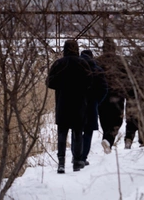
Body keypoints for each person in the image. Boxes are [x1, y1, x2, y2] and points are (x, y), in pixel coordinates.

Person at [46, 39, 92, 173]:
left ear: (64, 49)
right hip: (79, 103)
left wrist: (61, 85)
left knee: (62, 133)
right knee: (77, 132)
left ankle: (61, 163)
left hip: (62, 102)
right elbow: (90, 82)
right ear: (77, 49)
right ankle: (77, 161)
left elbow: (49, 82)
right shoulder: (83, 64)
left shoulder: (59, 64)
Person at [95, 38, 129, 154]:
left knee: (104, 120)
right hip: (117, 96)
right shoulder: (121, 62)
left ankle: (107, 140)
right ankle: (108, 140)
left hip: (101, 96)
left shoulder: (97, 61)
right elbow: (127, 79)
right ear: (114, 48)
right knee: (116, 122)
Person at [80, 49, 108, 165]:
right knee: (88, 132)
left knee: (76, 131)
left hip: (77, 104)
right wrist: (97, 101)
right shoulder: (98, 70)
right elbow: (104, 89)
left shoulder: (77, 70)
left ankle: (75, 155)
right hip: (92, 104)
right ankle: (83, 157)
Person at [124, 50, 144, 148]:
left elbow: (125, 85)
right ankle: (143, 141)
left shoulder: (129, 69)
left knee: (130, 122)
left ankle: (128, 140)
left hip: (131, 100)